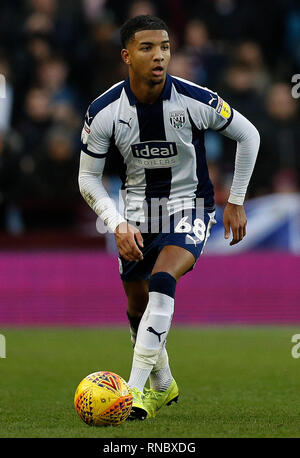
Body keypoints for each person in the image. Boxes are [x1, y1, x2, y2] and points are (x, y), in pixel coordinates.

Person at [78, 15, 260, 420]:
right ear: (127, 55)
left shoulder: (194, 99)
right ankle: (163, 383)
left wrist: (236, 200)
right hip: (137, 214)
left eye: (164, 47)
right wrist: (117, 223)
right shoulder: (104, 110)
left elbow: (249, 135)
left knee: (163, 279)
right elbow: (87, 179)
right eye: (147, 48)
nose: (159, 56)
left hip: (190, 206)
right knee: (136, 306)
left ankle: (134, 393)